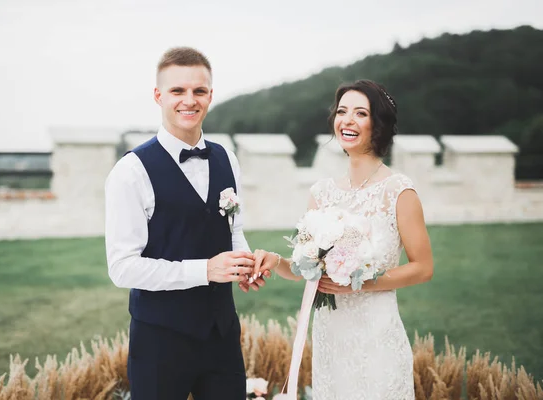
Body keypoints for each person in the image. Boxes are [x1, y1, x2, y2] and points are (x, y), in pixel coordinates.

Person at [253, 79, 434, 399]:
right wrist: (275, 260)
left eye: (360, 113)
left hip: (376, 334)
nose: (347, 120)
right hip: (330, 336)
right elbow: (302, 270)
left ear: (378, 123)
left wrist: (361, 282)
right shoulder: (321, 194)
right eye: (341, 111)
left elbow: (423, 268)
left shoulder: (398, 191)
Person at [105, 47, 268, 400]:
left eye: (199, 90)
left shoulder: (226, 157)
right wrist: (206, 270)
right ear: (158, 95)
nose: (189, 100)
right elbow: (122, 268)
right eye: (178, 91)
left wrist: (245, 263)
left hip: (222, 335)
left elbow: (233, 229)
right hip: (160, 341)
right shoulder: (130, 172)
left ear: (211, 95)